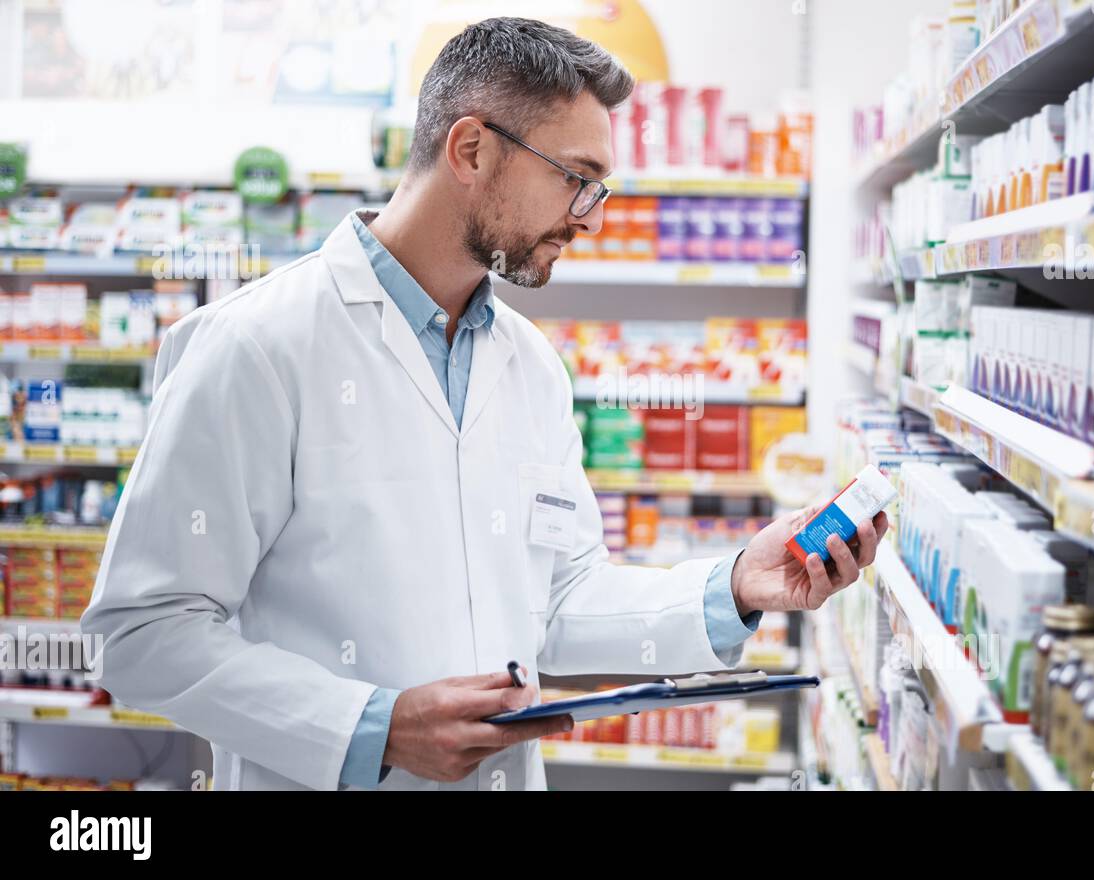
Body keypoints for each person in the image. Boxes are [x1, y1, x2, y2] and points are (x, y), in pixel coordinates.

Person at [81, 16, 886, 791]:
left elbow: (559, 600)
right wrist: (373, 726)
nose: (588, 220)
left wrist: (739, 584)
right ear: (469, 149)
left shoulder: (530, 366)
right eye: (576, 181)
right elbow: (142, 632)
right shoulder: (256, 346)